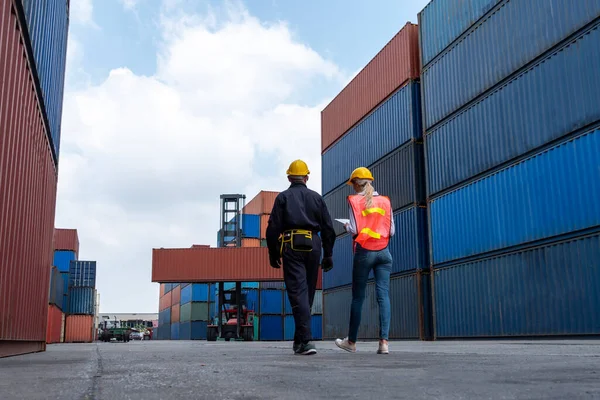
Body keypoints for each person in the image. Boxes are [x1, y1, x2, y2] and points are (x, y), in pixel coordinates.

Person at [266, 159, 336, 355]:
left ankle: (306, 341)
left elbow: (272, 229)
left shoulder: (283, 198)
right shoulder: (317, 198)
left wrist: (273, 253)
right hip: (314, 245)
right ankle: (299, 341)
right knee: (307, 294)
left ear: (289, 177)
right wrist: (328, 254)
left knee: (298, 293)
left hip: (292, 244)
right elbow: (329, 229)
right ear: (306, 177)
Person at [334, 167, 394, 355]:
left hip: (365, 253)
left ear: (354, 184)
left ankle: (351, 342)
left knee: (358, 297)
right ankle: (383, 342)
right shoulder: (385, 201)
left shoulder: (355, 202)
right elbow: (391, 231)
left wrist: (346, 226)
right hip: (384, 252)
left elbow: (355, 229)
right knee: (383, 296)